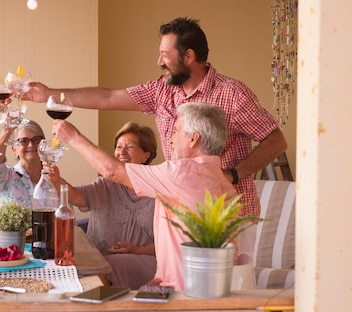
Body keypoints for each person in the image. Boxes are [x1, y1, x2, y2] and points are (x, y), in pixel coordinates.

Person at [23, 17, 287, 218]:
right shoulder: (161, 89)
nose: (158, 60)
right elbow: (109, 98)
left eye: (165, 54)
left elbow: (276, 141)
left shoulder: (232, 94)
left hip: (227, 217)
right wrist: (50, 93)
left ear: (189, 56)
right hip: (179, 214)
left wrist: (233, 174)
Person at [51, 102, 237, 291]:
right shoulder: (222, 181)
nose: (171, 140)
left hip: (183, 293)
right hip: (207, 287)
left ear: (193, 139)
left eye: (177, 131)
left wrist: (72, 136)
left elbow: (112, 171)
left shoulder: (183, 172)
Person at [45, 122, 158, 289]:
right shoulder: (107, 184)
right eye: (118, 147)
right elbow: (76, 196)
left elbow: (172, 245)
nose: (122, 152)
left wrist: (136, 250)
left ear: (146, 155)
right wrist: (56, 180)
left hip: (143, 261)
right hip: (97, 259)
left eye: (130, 147)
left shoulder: (159, 189)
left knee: (101, 268)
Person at [0, 120, 46, 207]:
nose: (31, 145)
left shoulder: (53, 177)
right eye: (24, 141)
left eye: (36, 140)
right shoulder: (6, 177)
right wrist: (7, 131)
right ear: (14, 149)